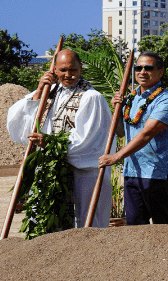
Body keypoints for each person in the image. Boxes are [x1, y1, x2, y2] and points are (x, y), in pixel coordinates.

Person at [6, 48, 113, 229]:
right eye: (63, 70)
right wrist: (39, 92)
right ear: (54, 70)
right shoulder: (50, 92)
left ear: (81, 69)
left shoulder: (91, 97)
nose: (68, 75)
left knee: (84, 226)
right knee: (49, 225)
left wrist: (49, 142)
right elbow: (19, 126)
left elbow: (88, 140)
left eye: (73, 70)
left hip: (83, 175)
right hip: (51, 172)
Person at [98, 51, 168, 225]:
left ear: (160, 72)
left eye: (148, 68)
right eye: (138, 67)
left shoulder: (166, 100)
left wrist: (117, 156)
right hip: (132, 171)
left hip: (156, 173)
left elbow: (147, 133)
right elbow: (120, 132)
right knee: (134, 225)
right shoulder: (131, 99)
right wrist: (117, 111)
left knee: (161, 227)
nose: (142, 71)